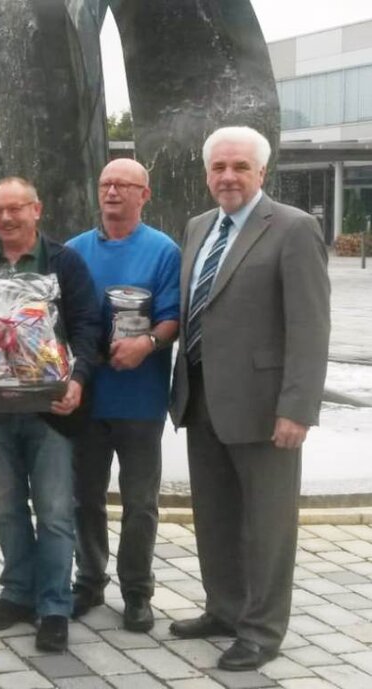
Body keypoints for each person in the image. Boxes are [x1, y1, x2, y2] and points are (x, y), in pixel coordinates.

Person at [168, 126, 330, 671]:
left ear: (262, 172)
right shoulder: (197, 228)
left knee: (267, 524)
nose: (228, 177)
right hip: (201, 397)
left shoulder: (293, 228)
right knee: (213, 516)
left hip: (265, 408)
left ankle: (261, 630)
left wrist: (297, 409)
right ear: (207, 173)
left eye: (240, 167)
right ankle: (224, 608)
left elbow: (310, 327)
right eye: (219, 167)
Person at [0, 177, 101, 653]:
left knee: (55, 512)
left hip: (51, 409)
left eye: (16, 209)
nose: (7, 219)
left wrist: (77, 380)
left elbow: (88, 325)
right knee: (7, 509)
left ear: (37, 210)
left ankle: (53, 605)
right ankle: (17, 592)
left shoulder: (64, 263)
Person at [65, 159, 180, 632]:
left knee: (140, 503)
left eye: (123, 185)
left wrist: (147, 343)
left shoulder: (163, 251)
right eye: (106, 184)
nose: (112, 192)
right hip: (87, 398)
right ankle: (89, 580)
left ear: (143, 194)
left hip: (140, 399)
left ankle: (137, 590)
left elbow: (173, 317)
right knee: (83, 497)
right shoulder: (73, 251)